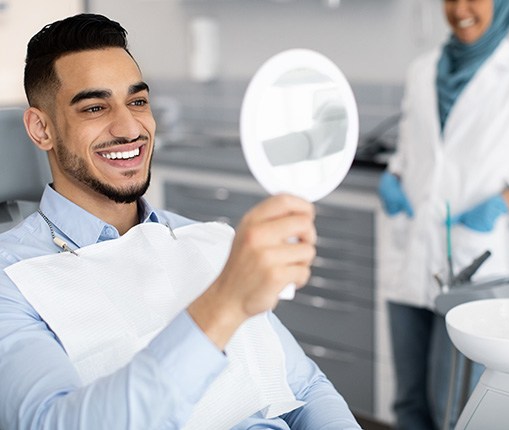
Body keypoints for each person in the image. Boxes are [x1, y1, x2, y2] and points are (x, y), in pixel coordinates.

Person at [0, 13, 362, 429]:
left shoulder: (206, 239)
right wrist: (224, 302)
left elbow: (305, 388)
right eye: (95, 107)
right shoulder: (12, 282)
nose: (129, 127)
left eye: (137, 101)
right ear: (41, 128)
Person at [378, 1, 509, 429]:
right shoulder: (423, 70)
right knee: (406, 402)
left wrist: (506, 199)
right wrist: (393, 177)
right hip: (412, 250)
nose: (460, 9)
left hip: (475, 262)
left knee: (453, 407)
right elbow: (409, 153)